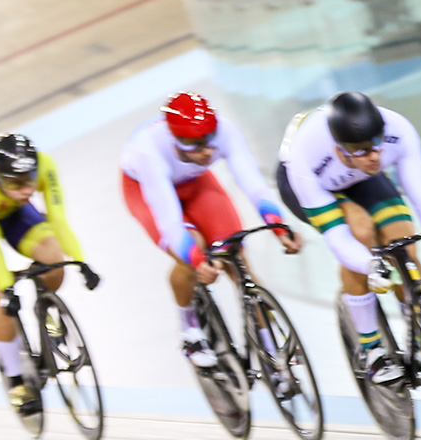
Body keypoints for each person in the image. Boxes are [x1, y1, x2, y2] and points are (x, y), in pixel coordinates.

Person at [276, 92, 421, 386]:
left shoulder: (396, 130)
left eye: (376, 145)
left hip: (362, 179)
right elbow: (338, 240)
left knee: (405, 243)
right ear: (339, 149)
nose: (374, 156)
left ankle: (418, 343)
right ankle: (371, 349)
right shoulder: (307, 153)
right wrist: (370, 266)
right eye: (362, 150)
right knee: (360, 230)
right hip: (310, 187)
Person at [121, 92, 298, 370]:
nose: (206, 151)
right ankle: (190, 329)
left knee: (234, 254)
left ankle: (269, 346)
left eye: (209, 140)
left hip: (196, 182)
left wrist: (278, 224)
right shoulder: (149, 153)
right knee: (193, 247)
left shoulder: (225, 131)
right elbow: (169, 221)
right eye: (194, 144)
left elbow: (253, 182)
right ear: (174, 140)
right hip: (145, 191)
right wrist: (196, 260)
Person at [0, 134, 91, 416]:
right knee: (1, 300)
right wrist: (6, 290)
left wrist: (80, 262)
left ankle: (47, 314)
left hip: (16, 215)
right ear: (0, 177)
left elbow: (59, 220)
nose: (26, 188)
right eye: (15, 183)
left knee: (54, 260)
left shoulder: (45, 166)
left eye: (29, 178)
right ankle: (15, 380)